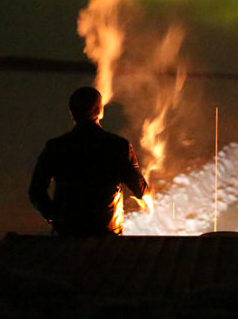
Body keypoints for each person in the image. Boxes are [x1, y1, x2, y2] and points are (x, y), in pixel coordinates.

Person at [28, 86, 148, 236]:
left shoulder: (56, 147)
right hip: (107, 233)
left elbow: (36, 192)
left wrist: (55, 218)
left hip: (69, 233)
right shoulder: (118, 146)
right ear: (99, 110)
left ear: (72, 112)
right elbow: (139, 187)